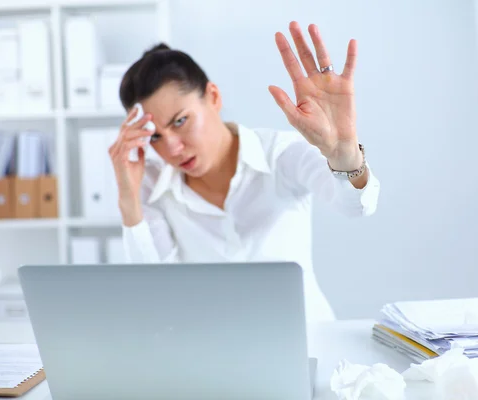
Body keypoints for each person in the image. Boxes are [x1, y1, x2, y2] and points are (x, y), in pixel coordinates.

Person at [109, 21, 381, 323]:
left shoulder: (278, 154)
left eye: (180, 121)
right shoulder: (152, 185)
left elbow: (356, 205)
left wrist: (345, 155)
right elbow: (157, 291)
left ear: (213, 97)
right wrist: (128, 199)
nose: (172, 148)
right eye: (155, 136)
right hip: (216, 352)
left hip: (310, 339)